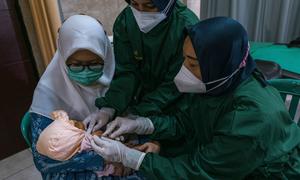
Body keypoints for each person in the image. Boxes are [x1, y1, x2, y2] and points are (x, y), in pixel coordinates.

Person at [91, 17, 300, 179]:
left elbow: (201, 172)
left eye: (193, 64)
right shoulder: (218, 84)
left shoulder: (251, 116)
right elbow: (188, 122)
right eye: (185, 60)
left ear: (219, 64)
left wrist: (133, 159)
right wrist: (143, 125)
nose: (184, 71)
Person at [29, 15, 146, 179]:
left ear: (106, 54)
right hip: (75, 167)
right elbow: (44, 160)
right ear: (63, 58)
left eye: (95, 63)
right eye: (76, 65)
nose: (86, 71)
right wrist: (104, 158)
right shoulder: (48, 92)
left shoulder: (122, 81)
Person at [84, 0, 199, 139]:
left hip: (177, 107)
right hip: (142, 101)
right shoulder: (126, 20)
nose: (141, 11)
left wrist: (137, 114)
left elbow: (176, 84)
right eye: (134, 4)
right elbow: (126, 71)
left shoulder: (186, 27)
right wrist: (109, 108)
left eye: (150, 6)